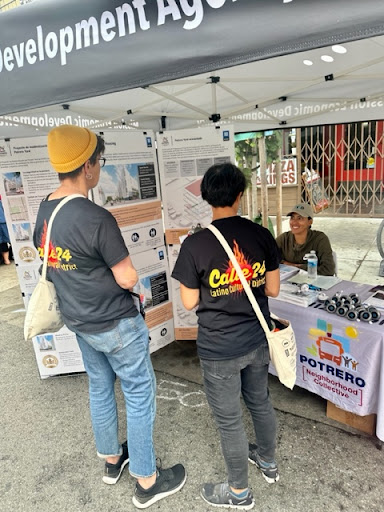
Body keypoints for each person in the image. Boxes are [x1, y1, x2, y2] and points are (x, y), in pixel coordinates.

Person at [33, 125, 186, 509]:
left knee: (100, 388)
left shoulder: (46, 211)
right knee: (138, 394)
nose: (99, 168)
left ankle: (112, 460)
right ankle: (148, 481)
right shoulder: (95, 218)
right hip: (116, 323)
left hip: (79, 321)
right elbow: (128, 277)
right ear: (87, 166)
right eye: (99, 161)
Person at [172, 163, 281, 510]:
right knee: (260, 401)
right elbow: (274, 289)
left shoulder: (196, 244)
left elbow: (189, 302)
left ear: (206, 197)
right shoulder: (260, 234)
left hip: (220, 348)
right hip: (257, 339)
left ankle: (238, 494)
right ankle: (268, 463)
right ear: (239, 195)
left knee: (230, 420)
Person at [276, 203, 335, 276]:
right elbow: (268, 256)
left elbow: (328, 269)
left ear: (310, 222)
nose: (294, 222)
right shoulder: (284, 238)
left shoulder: (320, 239)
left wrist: (296, 267)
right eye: (292, 218)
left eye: (299, 218)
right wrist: (283, 262)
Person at [0, 195, 11, 265]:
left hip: (3, 221)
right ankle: (6, 260)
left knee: (5, 241)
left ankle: (7, 260)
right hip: (3, 221)